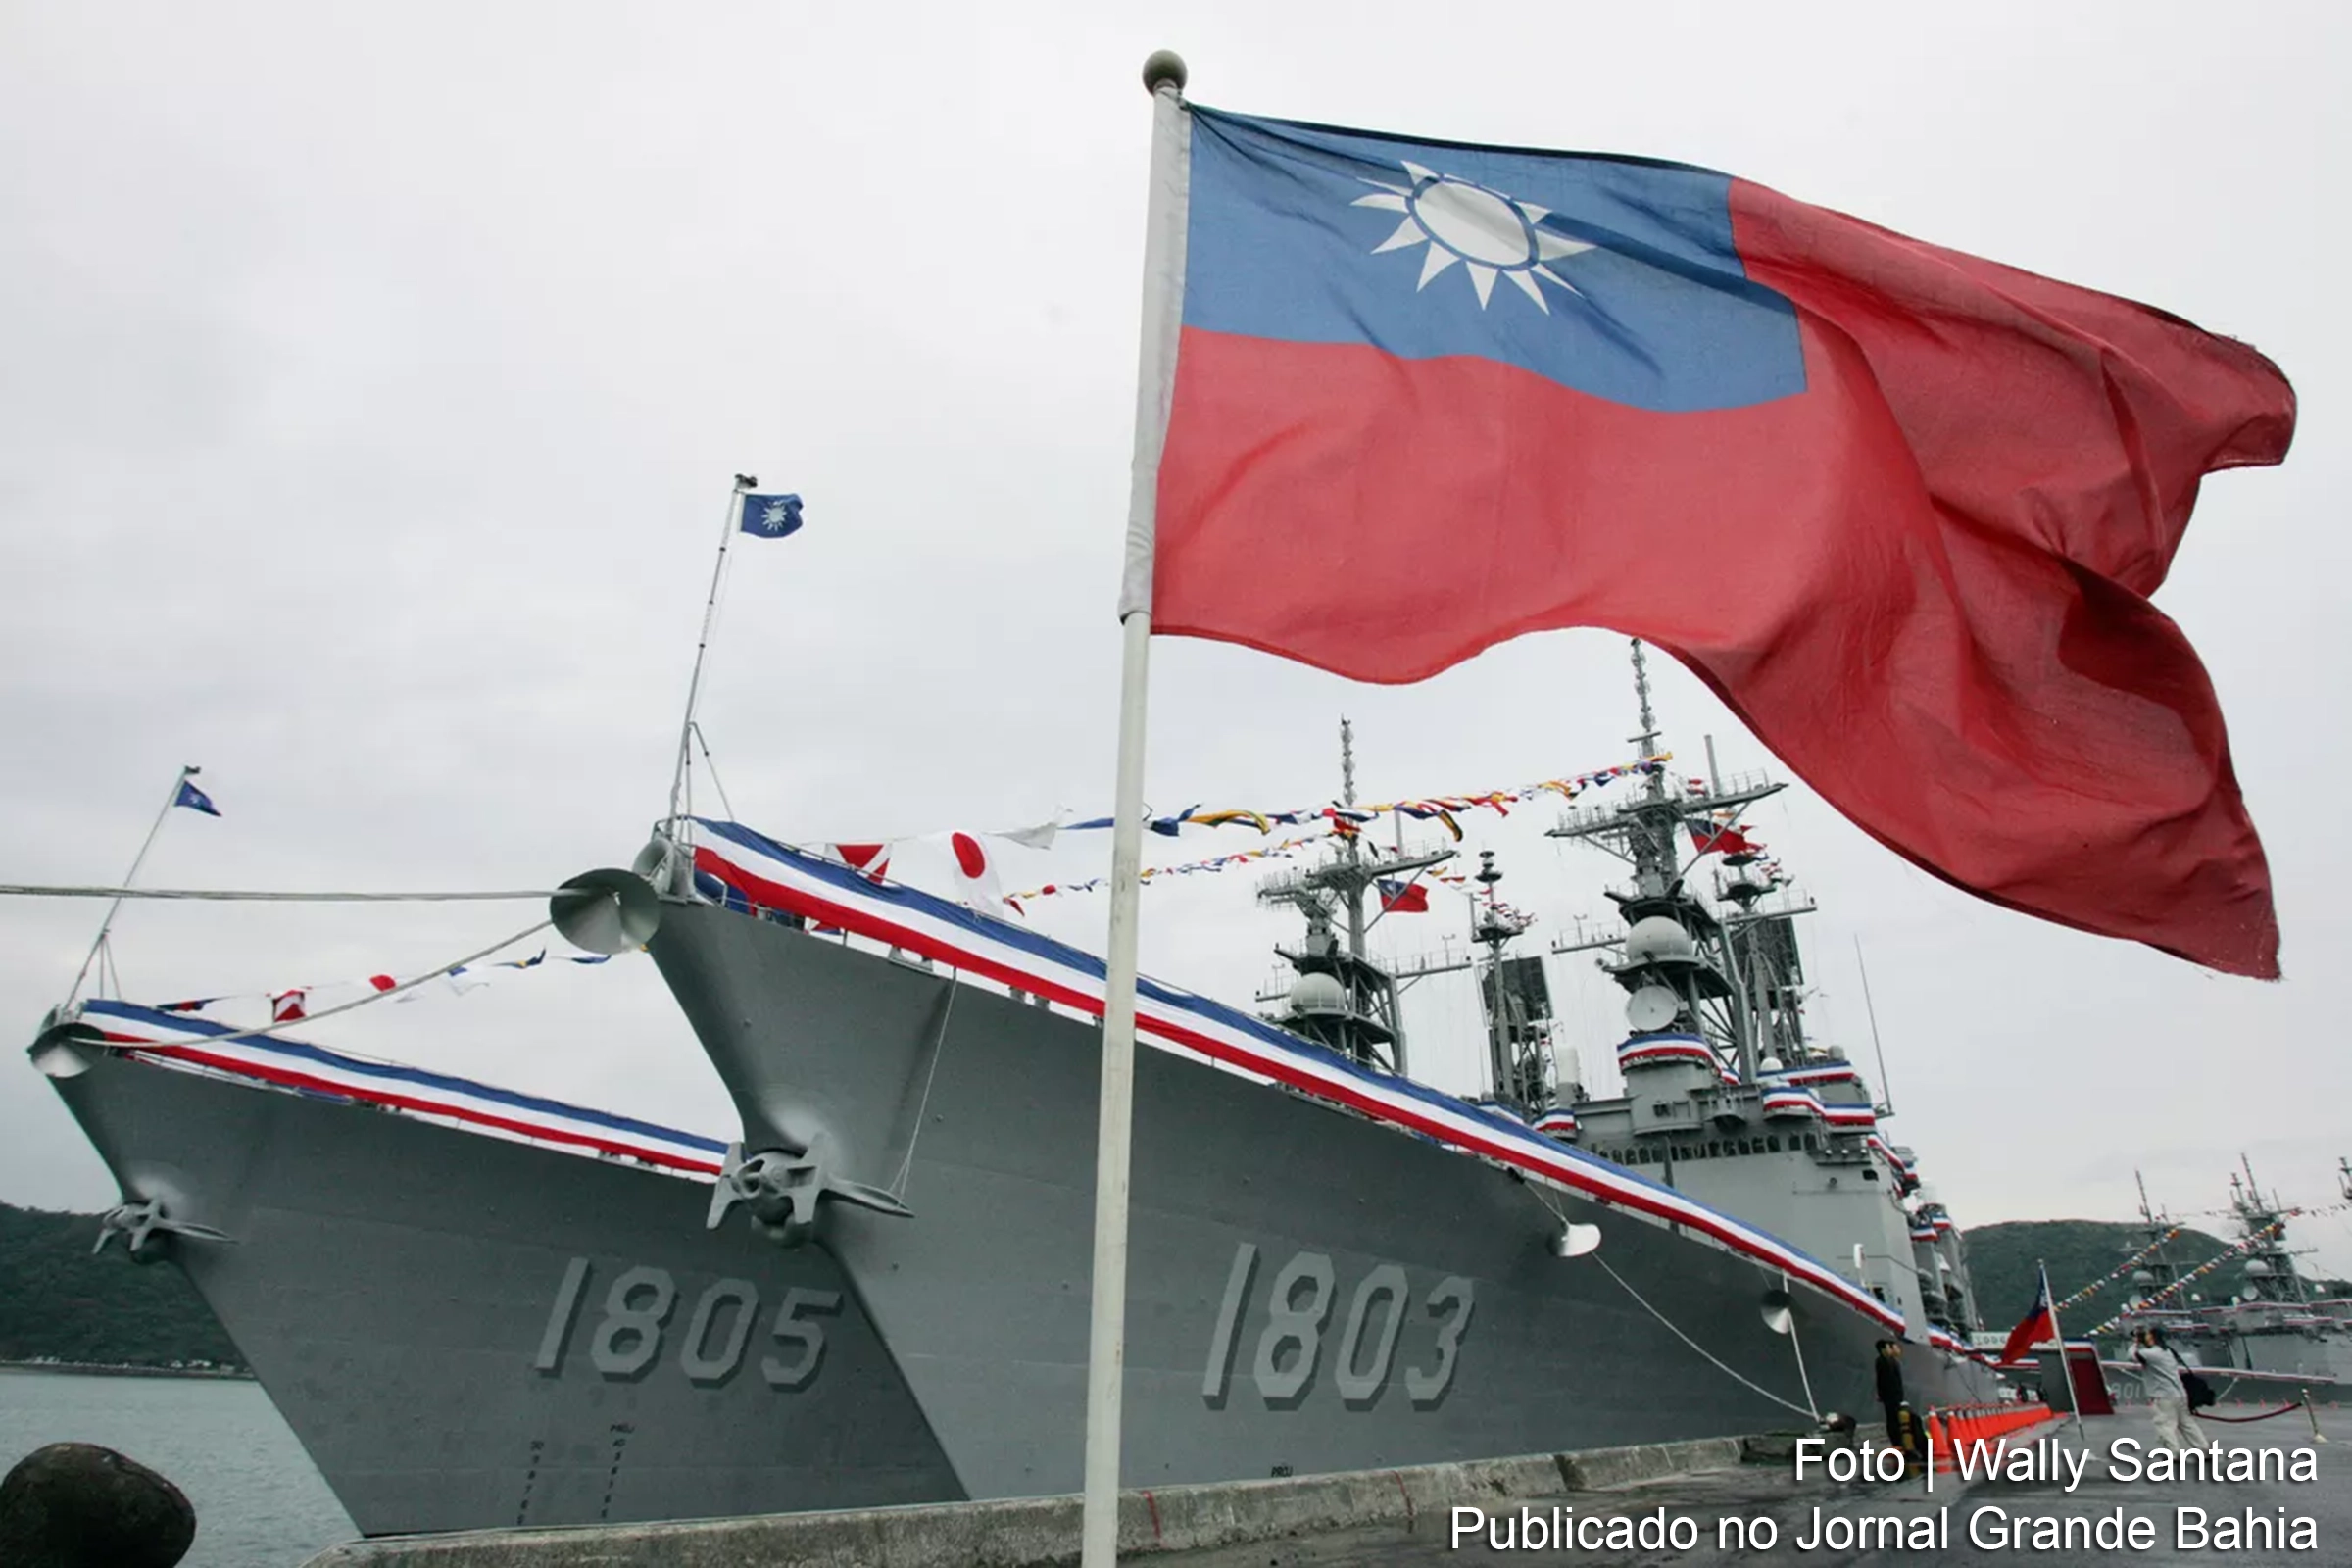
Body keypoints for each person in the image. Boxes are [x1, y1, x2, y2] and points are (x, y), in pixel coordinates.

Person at [2132, 1327, 2196, 1450]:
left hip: (2163, 1396)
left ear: (2152, 1337)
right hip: (2180, 1394)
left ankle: (2174, 1452)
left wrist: (2135, 1343)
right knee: (2188, 1424)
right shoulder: (2168, 1352)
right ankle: (2204, 1449)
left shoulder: (2150, 1354)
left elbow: (2132, 1356)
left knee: (2164, 1424)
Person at [1873, 1340, 1915, 1468]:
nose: (1892, 1350)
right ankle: (1896, 1444)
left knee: (1897, 1419)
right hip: (1889, 1396)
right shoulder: (1880, 1361)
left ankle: (1902, 1443)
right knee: (1891, 1419)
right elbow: (1881, 1380)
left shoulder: (1893, 1361)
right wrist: (1881, 1394)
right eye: (1889, 1347)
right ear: (1883, 1349)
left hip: (1896, 1395)